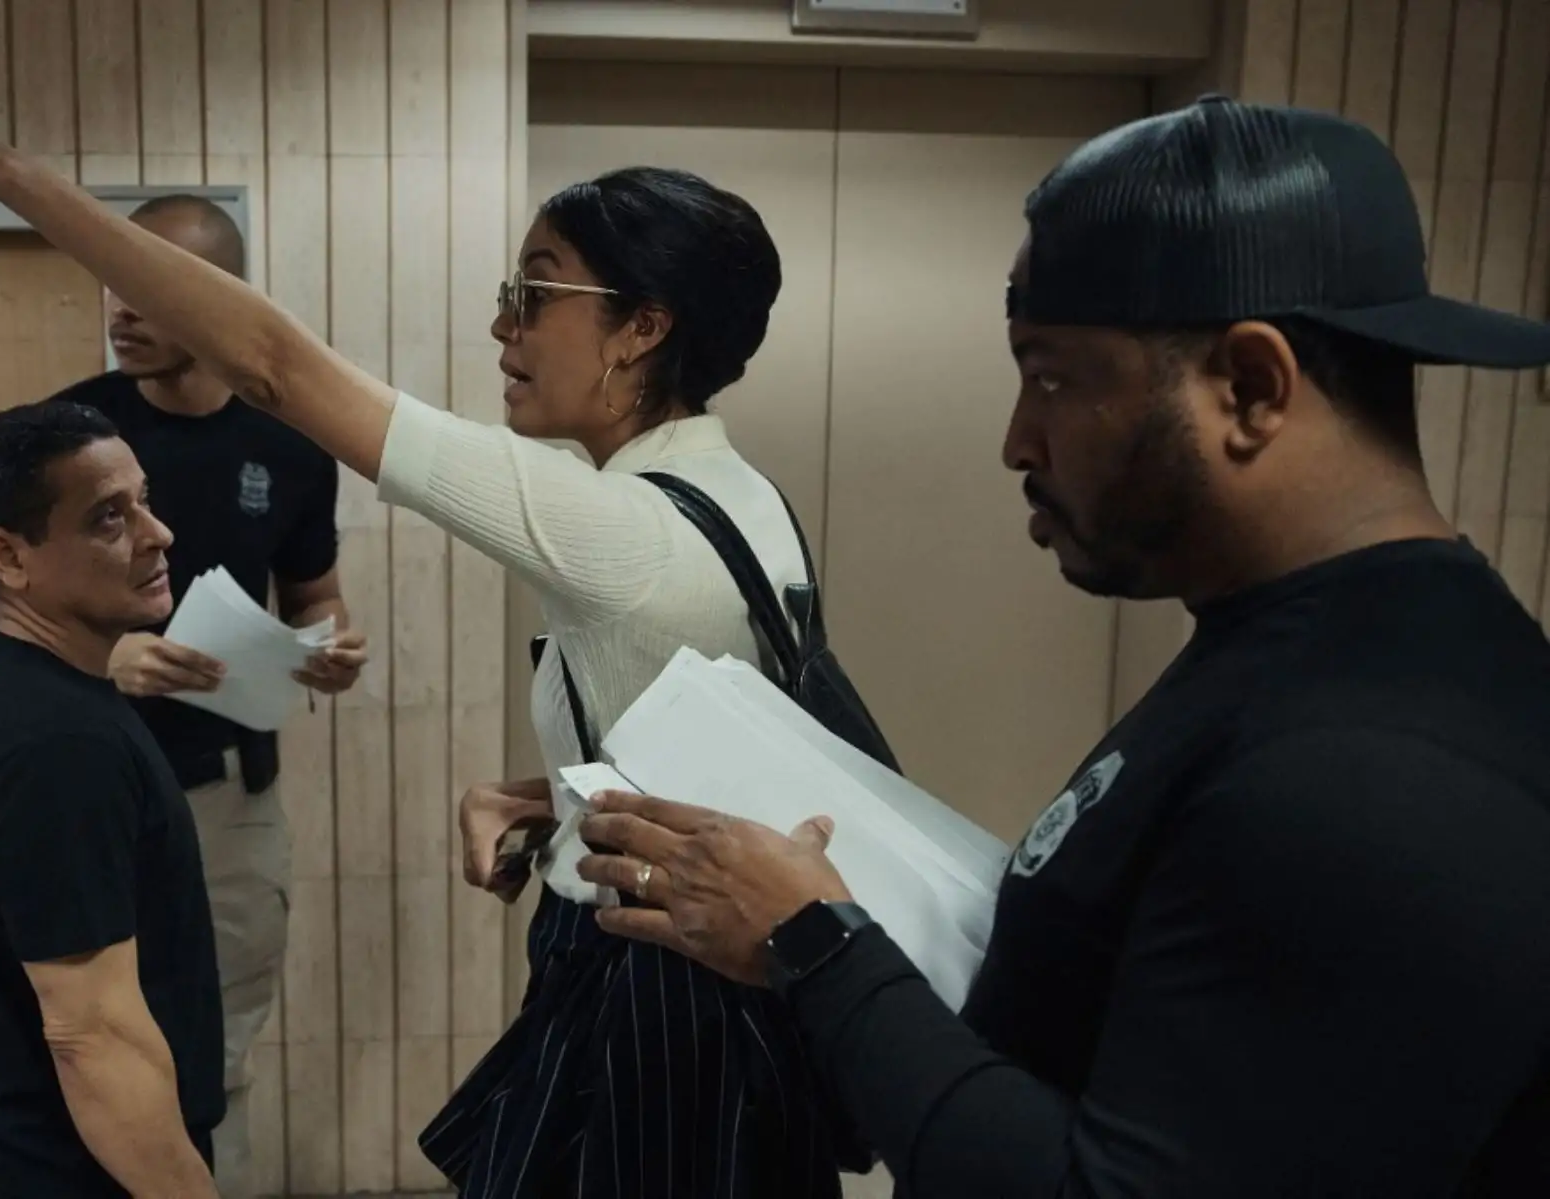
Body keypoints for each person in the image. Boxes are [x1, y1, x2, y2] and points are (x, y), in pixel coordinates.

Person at [0, 26, 861, 1198]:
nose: (504, 326)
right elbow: (710, 743)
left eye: (535, 290)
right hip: (726, 959)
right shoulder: (738, 498)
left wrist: (11, 177)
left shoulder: (611, 521)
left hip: (666, 981)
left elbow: (274, 367)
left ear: (643, 328)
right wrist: (550, 795)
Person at [564, 95, 1550, 1197]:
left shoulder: (1380, 764)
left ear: (1251, 388)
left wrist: (815, 941)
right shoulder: (1296, 641)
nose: (1016, 438)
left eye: (1052, 376)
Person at [0, 193, 366, 1197]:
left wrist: (330, 649)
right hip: (93, 785)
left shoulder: (291, 444)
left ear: (211, 299)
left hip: (224, 799)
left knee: (206, 1056)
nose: (119, 309)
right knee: (82, 1043)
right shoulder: (80, 433)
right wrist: (112, 665)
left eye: (143, 288)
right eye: (111, 286)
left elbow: (318, 599)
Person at [0, 401, 223, 1197]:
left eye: (144, 500)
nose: (156, 533)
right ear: (9, 556)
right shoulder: (54, 744)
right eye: (107, 518)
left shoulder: (30, 690)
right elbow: (92, 1036)